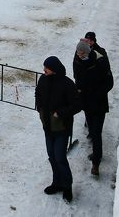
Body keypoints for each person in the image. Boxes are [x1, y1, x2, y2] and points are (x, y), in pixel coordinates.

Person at [35, 56, 81, 202]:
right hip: (48, 127)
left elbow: (77, 105)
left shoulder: (67, 84)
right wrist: (40, 108)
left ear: (54, 69)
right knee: (52, 156)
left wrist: (60, 112)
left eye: (46, 68)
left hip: (62, 128)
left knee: (60, 158)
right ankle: (57, 183)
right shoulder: (43, 80)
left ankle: (67, 186)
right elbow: (38, 93)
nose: (44, 70)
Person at [73, 40, 113, 177]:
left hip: (99, 103)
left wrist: (96, 94)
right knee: (92, 129)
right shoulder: (77, 60)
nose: (79, 55)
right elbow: (77, 77)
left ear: (88, 52)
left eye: (82, 53)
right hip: (86, 103)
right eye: (78, 53)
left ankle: (96, 163)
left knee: (96, 133)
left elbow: (109, 83)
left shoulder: (101, 61)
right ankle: (96, 153)